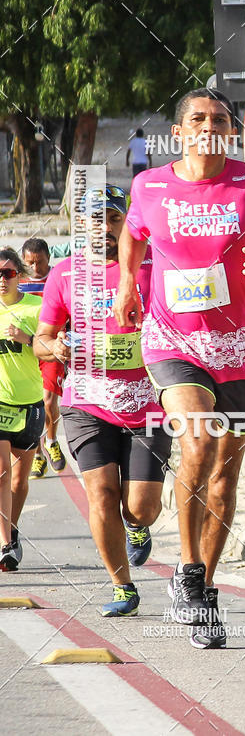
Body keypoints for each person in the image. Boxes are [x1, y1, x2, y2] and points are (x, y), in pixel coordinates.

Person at [114, 87, 245, 648]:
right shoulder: (150, 185)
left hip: (239, 348)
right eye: (197, 118)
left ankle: (206, 589)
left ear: (232, 130)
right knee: (198, 444)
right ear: (180, 130)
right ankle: (187, 571)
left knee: (223, 478)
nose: (208, 125)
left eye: (218, 118)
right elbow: (133, 234)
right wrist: (124, 283)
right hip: (173, 342)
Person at [34, 185, 171, 616]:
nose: (106, 229)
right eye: (96, 220)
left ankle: (136, 528)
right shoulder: (64, 275)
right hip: (86, 401)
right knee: (101, 494)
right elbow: (41, 338)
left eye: (114, 219)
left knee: (141, 508)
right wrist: (53, 348)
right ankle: (122, 587)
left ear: (125, 223)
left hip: (148, 402)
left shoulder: (153, 264)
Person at [0, 247, 45, 571]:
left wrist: (26, 338)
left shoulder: (36, 308)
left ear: (20, 276)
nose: (2, 279)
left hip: (29, 400)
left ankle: (11, 531)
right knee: (2, 472)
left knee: (19, 480)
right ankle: (5, 543)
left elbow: (51, 350)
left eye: (9, 273)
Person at [19, 237, 67, 477]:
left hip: (51, 348)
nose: (35, 268)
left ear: (49, 258)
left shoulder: (58, 278)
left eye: (39, 262)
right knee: (31, 404)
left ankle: (52, 441)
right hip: (25, 350)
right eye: (30, 263)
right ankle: (38, 454)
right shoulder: (17, 280)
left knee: (48, 400)